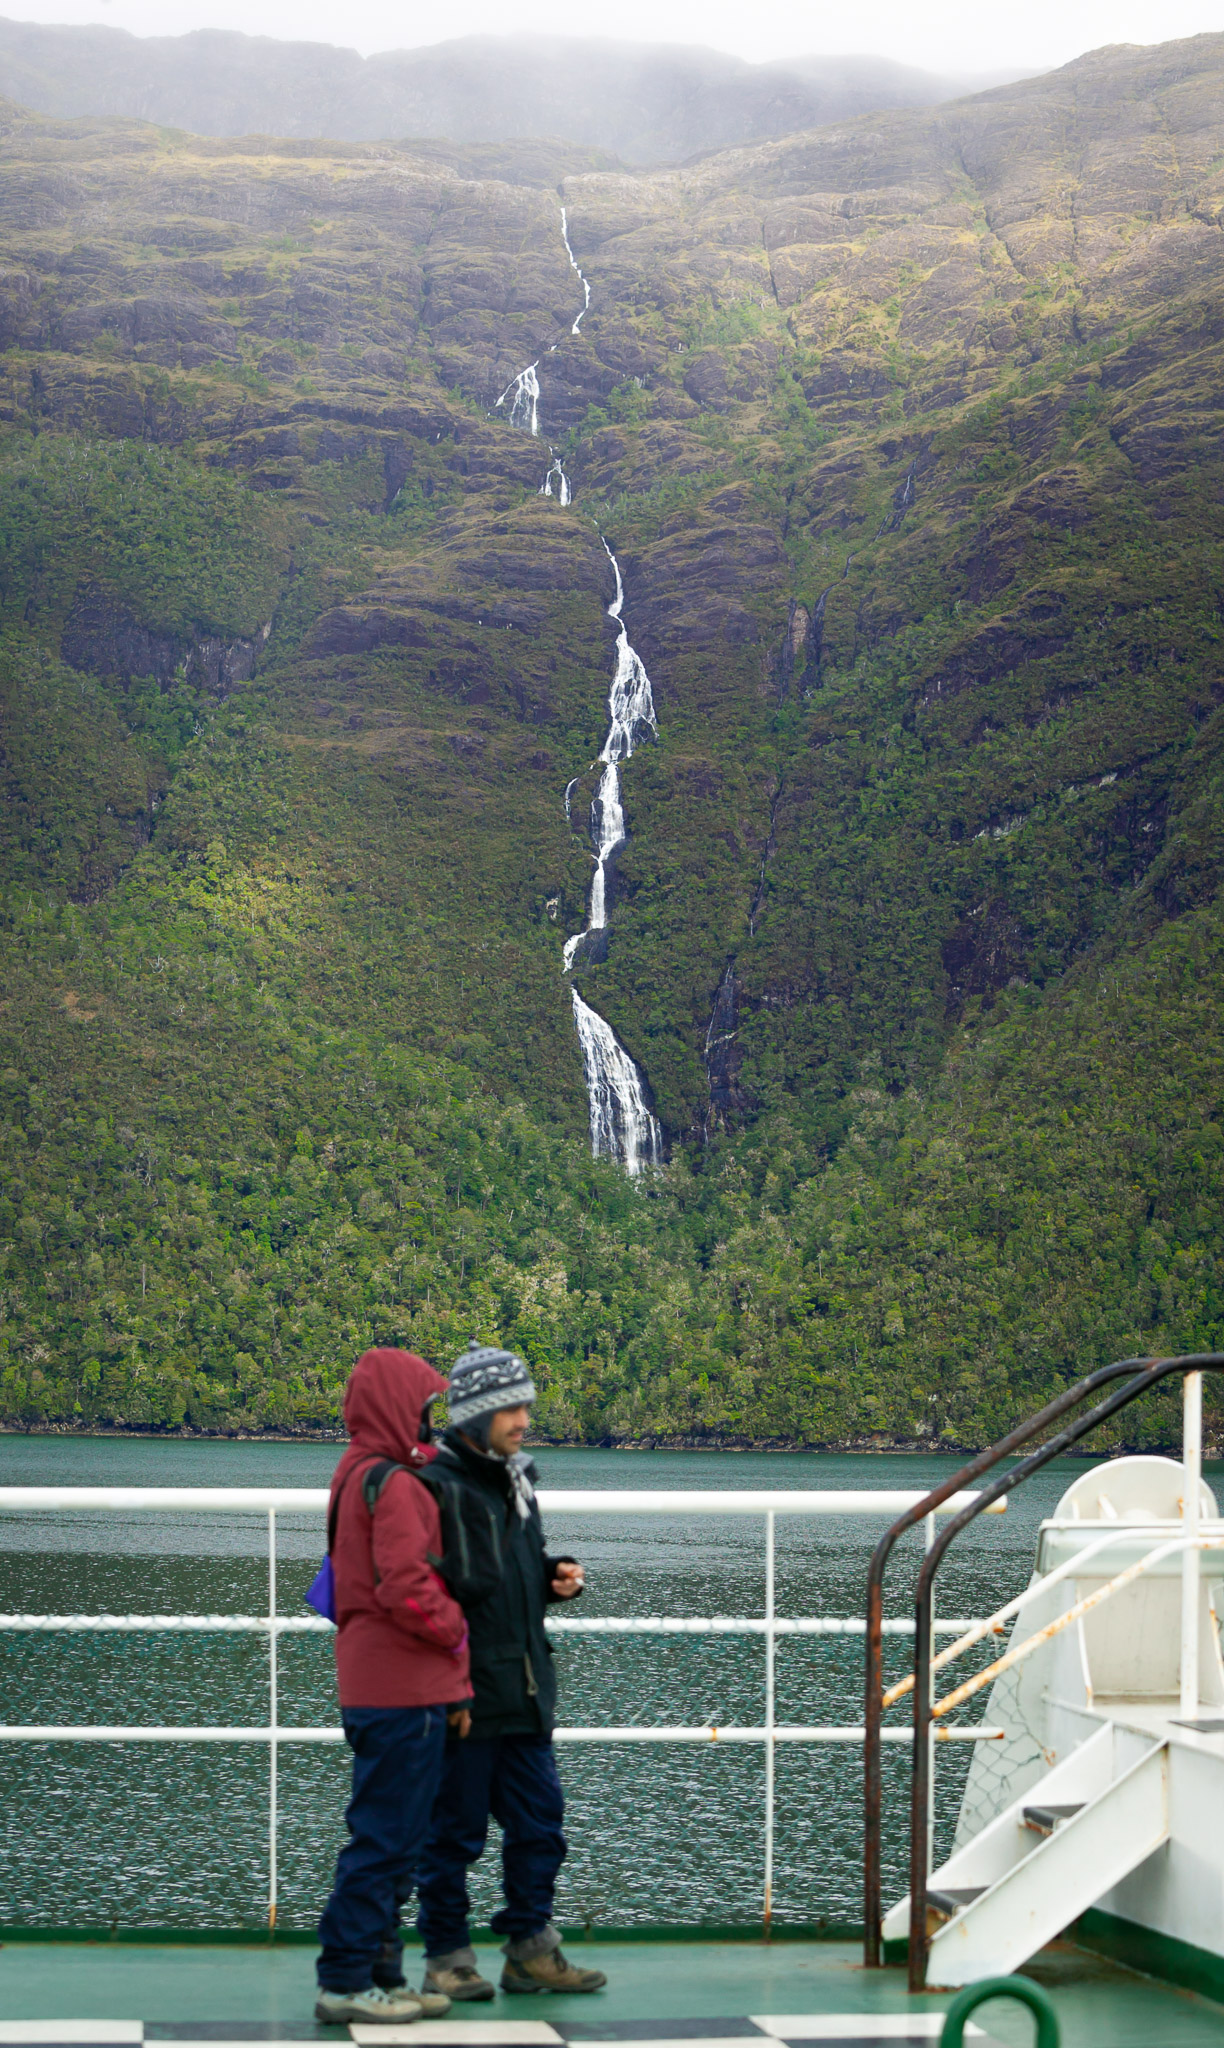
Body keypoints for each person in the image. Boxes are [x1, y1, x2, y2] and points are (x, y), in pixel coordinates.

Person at [416, 1342, 608, 2000]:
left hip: (524, 1689)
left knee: (540, 1826)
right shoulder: (439, 1488)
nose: (524, 1418)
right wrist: (447, 1688)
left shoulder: (517, 1480)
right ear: (473, 1415)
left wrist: (555, 1579)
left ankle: (530, 1948)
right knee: (452, 1835)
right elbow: (431, 1597)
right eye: (511, 1408)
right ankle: (446, 1956)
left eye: (526, 1404)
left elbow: (508, 1579)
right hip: (466, 1695)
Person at [315, 1347, 471, 2024]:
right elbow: (408, 1587)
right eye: (425, 1408)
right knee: (386, 1840)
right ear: (399, 1409)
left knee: (391, 1838)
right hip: (403, 1688)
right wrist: (458, 1630)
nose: (431, 1422)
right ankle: (346, 1980)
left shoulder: (357, 1472)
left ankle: (380, 1972)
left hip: (370, 1680)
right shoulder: (397, 1484)